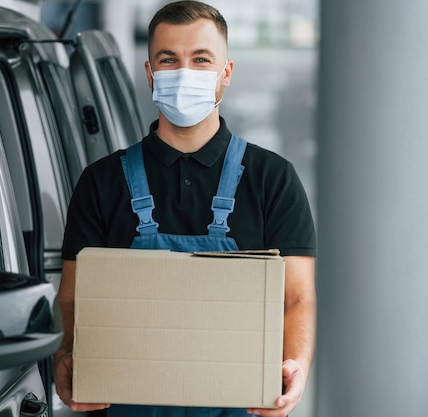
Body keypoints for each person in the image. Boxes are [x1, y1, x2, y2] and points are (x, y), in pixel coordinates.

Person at [53, 1, 317, 416]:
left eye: (200, 59)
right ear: (150, 74)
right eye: (168, 60)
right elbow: (72, 298)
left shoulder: (272, 178)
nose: (184, 73)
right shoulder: (101, 181)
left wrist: (296, 366)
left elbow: (296, 298)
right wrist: (64, 357)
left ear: (225, 73)